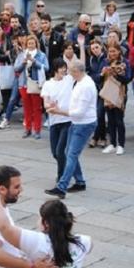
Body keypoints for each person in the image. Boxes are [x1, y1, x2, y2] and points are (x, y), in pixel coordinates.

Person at [45, 60, 97, 198]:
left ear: (76, 72)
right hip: (77, 123)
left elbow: (79, 112)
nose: (69, 74)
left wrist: (59, 112)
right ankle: (80, 182)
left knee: (71, 154)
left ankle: (62, 186)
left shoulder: (86, 86)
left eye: (71, 72)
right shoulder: (81, 81)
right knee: (69, 153)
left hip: (84, 124)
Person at [41, 60, 73, 184]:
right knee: (55, 152)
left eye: (65, 67)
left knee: (60, 151)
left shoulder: (69, 80)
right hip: (54, 121)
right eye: (61, 68)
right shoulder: (48, 84)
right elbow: (46, 103)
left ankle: (61, 179)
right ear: (55, 69)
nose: (64, 70)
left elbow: (81, 64)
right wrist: (50, 106)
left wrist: (81, 46)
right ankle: (69, 169)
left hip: (67, 120)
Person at [15, 36, 48, 139]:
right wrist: (23, 63)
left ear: (36, 44)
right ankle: (28, 129)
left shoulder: (41, 55)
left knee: (37, 108)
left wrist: (34, 62)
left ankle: (37, 130)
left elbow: (46, 68)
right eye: (29, 44)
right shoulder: (21, 55)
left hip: (35, 84)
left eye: (32, 43)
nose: (31, 45)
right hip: (24, 84)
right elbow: (16, 68)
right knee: (27, 108)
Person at [101, 43, 130, 155]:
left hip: (119, 94)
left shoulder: (125, 63)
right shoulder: (105, 62)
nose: (112, 54)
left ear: (119, 51)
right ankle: (112, 143)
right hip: (108, 93)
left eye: (114, 51)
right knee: (111, 120)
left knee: (119, 120)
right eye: (110, 51)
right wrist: (103, 73)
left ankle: (121, 144)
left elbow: (127, 79)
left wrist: (115, 74)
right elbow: (100, 78)